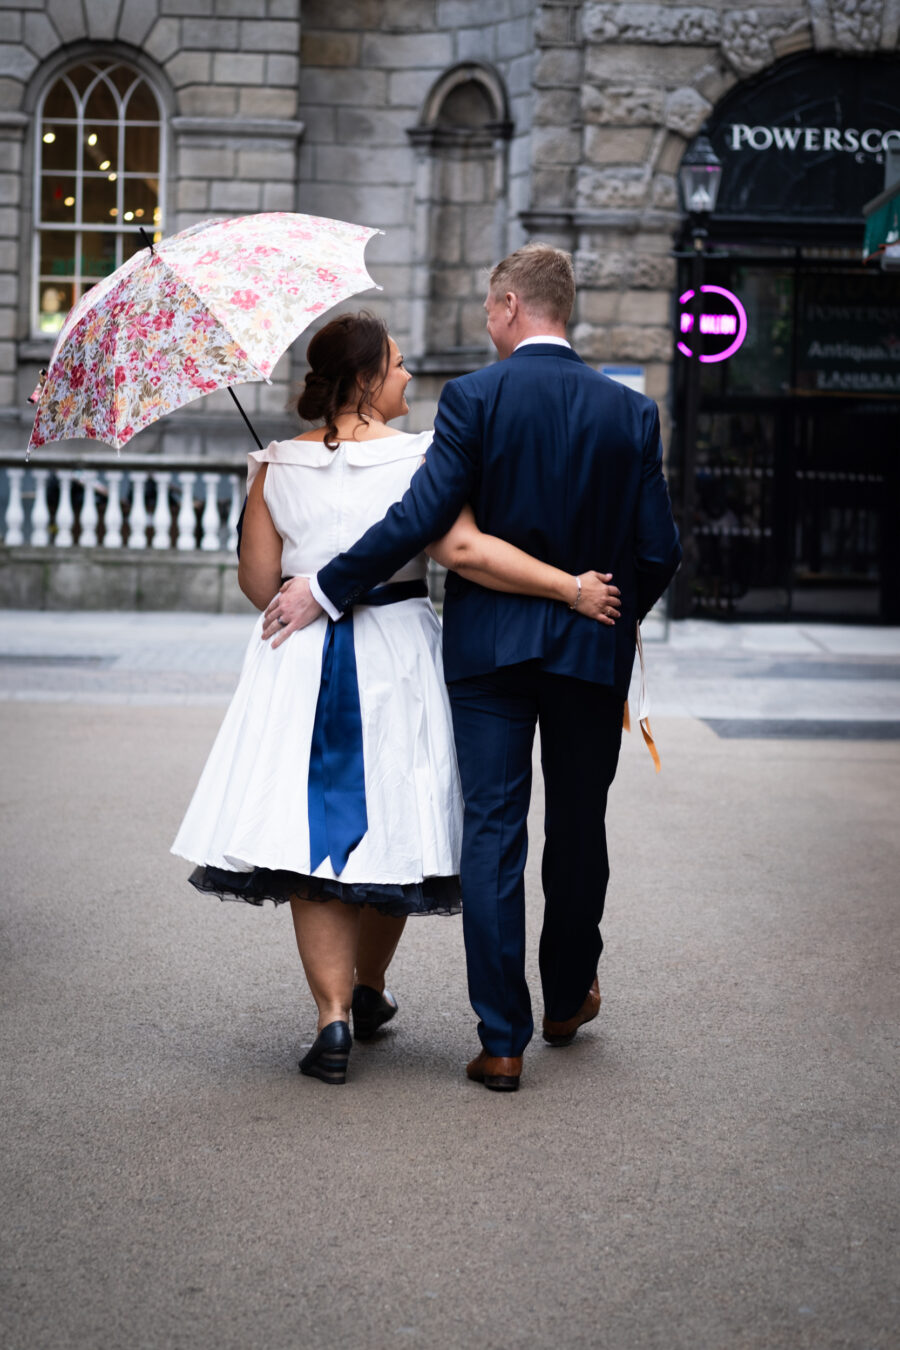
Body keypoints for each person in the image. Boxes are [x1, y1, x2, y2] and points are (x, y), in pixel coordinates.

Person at [262, 245, 683, 1093]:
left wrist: (328, 587)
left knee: (491, 835)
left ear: (508, 306)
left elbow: (422, 517)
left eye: (490, 309)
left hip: (488, 654)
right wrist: (613, 612)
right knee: (578, 828)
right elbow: (659, 550)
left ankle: (501, 1039)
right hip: (587, 650)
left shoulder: (475, 398)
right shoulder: (629, 413)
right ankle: (566, 998)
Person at [172, 310, 620, 1086]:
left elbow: (257, 585)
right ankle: (370, 986)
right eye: (400, 363)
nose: (410, 374)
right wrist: (567, 587)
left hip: (299, 656)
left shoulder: (277, 463)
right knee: (396, 828)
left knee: (304, 841)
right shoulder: (421, 456)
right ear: (369, 378)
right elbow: (462, 551)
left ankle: (336, 1017)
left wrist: (265, 486)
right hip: (396, 651)